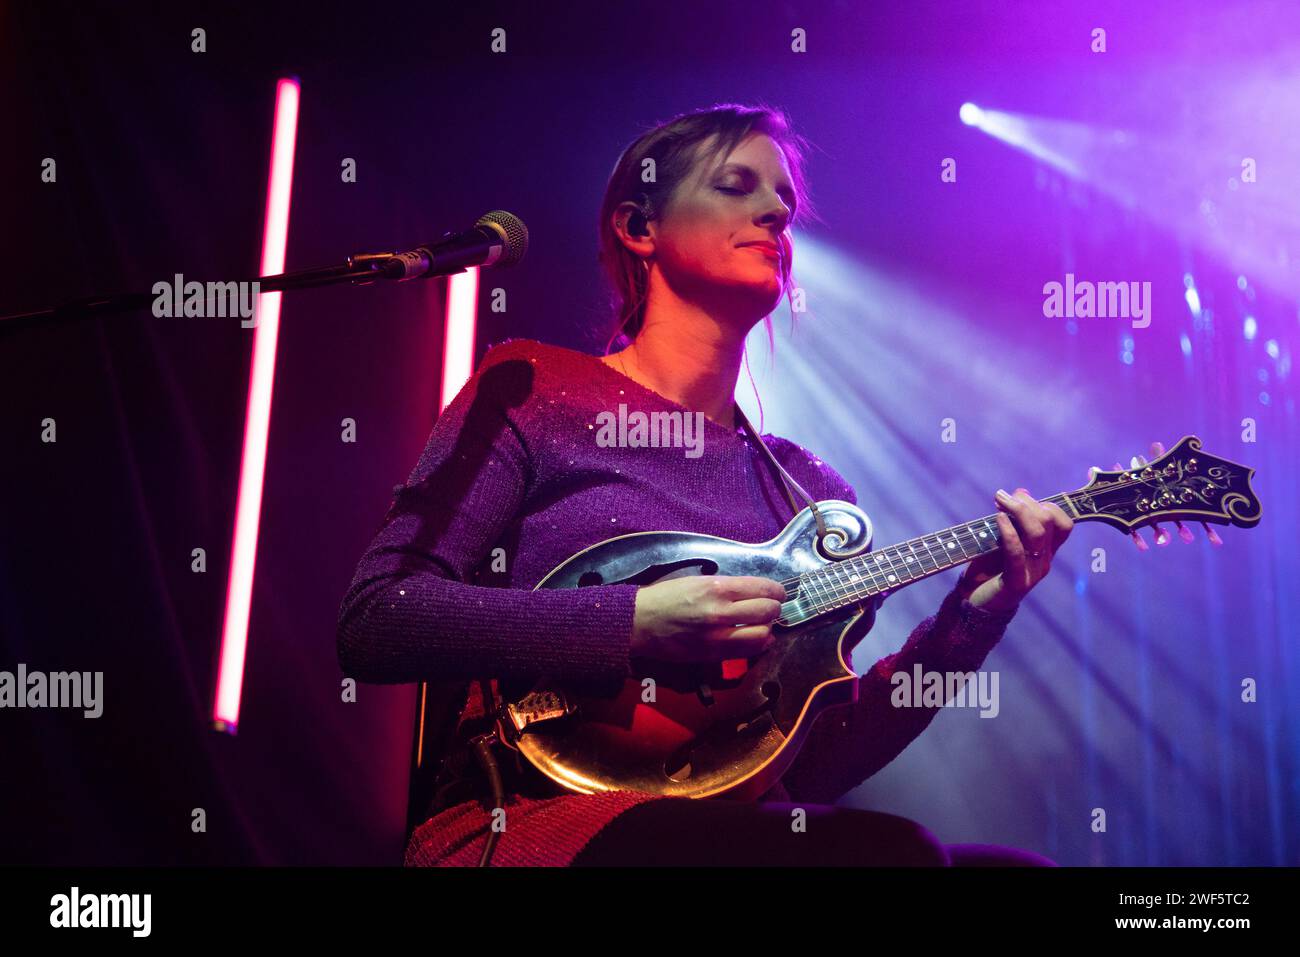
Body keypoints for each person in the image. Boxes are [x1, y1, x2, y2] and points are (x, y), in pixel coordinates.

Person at [336, 103, 1074, 867]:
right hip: (535, 822)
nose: (776, 212)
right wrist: (629, 622)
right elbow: (375, 619)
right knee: (895, 855)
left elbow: (810, 766)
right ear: (638, 227)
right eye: (736, 185)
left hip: (728, 831)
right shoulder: (534, 388)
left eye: (784, 200)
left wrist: (971, 622)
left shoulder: (810, 491)